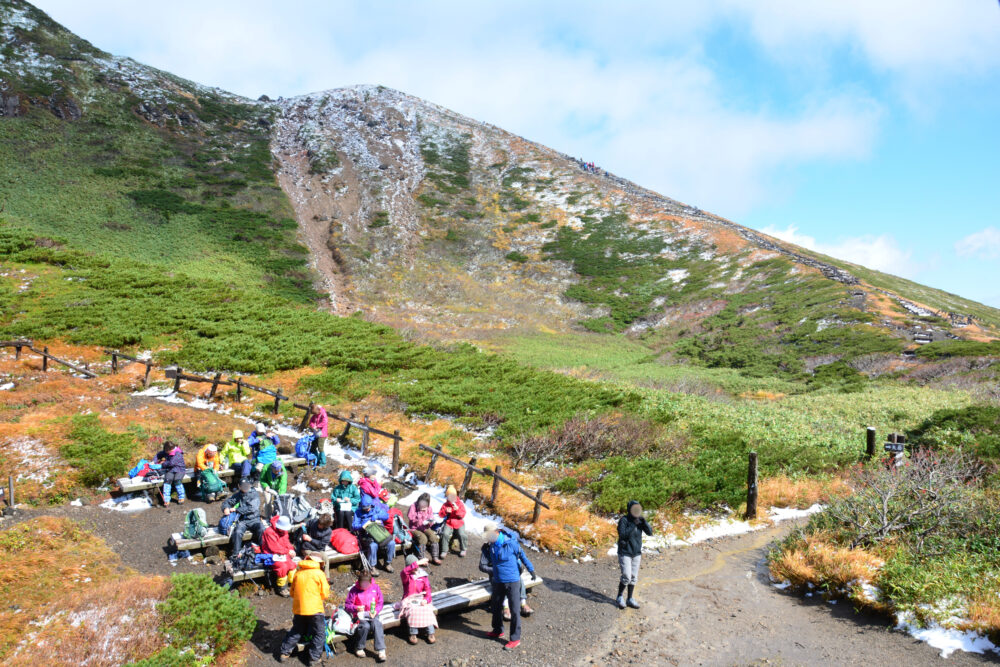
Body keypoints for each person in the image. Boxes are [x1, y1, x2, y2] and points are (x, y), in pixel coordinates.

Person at [484, 524, 537, 650]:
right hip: (498, 581)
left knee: (514, 610)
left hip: (513, 581)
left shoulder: (511, 543)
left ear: (496, 532)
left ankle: (515, 638)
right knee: (496, 606)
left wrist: (531, 570)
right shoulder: (491, 545)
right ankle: (497, 630)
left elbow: (523, 556)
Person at [277, 552, 330, 664]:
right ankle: (314, 657)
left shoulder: (298, 573)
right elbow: (325, 594)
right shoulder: (319, 574)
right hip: (315, 609)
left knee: (297, 630)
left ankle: (284, 652)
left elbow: (292, 592)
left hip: (299, 608)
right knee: (319, 633)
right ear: (319, 563)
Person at [479, 529, 534, 619]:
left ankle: (523, 603)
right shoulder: (487, 548)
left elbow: (520, 557)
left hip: (510, 573)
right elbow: (482, 566)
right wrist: (496, 570)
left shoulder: (508, 544)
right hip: (495, 575)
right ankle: (505, 607)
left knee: (519, 579)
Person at [616, 499, 652, 610]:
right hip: (625, 552)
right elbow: (622, 535)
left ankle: (630, 599)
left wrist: (644, 522)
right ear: (629, 509)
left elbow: (650, 533)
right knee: (626, 576)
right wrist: (633, 525)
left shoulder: (639, 520)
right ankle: (620, 596)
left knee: (633, 577)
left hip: (636, 552)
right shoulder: (624, 520)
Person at [344, 570, 386, 662]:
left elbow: (380, 602)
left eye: (367, 583)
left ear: (371, 581)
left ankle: (381, 650)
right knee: (365, 626)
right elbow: (347, 605)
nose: (365, 585)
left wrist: (376, 611)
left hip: (372, 613)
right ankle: (359, 647)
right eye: (363, 583)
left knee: (376, 623)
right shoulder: (354, 590)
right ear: (359, 581)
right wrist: (356, 608)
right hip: (359, 615)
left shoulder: (376, 587)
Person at [398, 554, 436, 644]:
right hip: (409, 599)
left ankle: (430, 632)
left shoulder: (423, 575)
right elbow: (404, 571)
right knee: (412, 611)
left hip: (421, 598)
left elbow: (428, 590)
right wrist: (418, 562)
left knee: (427, 610)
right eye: (414, 566)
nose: (416, 568)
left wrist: (426, 599)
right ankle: (413, 633)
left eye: (417, 566)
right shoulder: (406, 576)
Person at [352, 496, 395, 573]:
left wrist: (377, 516)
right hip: (366, 535)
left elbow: (386, 516)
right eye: (365, 508)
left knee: (391, 543)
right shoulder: (358, 512)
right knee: (373, 545)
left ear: (371, 505)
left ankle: (387, 563)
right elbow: (354, 526)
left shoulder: (376, 509)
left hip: (379, 533)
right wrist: (362, 525)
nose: (367, 509)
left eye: (368, 507)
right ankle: (372, 566)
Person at [221, 478, 263, 556]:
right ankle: (236, 554)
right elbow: (227, 501)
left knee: (261, 529)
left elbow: (252, 508)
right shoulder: (238, 495)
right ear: (239, 486)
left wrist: (236, 509)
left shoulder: (254, 494)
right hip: (243, 521)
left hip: (255, 519)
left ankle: (264, 551)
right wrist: (225, 508)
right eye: (243, 486)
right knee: (237, 532)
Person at [262, 514, 298, 596]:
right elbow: (274, 548)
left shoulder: (284, 531)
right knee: (282, 567)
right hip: (271, 554)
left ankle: (293, 584)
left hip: (283, 553)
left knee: (292, 565)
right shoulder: (269, 532)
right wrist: (287, 552)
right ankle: (281, 587)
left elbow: (287, 542)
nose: (285, 530)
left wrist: (291, 550)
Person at [407, 492, 441, 565]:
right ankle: (421, 558)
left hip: (425, 527)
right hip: (414, 528)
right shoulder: (413, 506)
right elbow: (411, 518)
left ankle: (435, 557)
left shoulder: (429, 508)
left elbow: (431, 517)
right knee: (423, 538)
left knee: (433, 537)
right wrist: (419, 515)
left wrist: (430, 522)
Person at [438, 485, 467, 558]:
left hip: (459, 521)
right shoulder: (445, 504)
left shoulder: (460, 503)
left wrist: (457, 510)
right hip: (449, 522)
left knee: (462, 534)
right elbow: (440, 514)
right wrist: (445, 511)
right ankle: (444, 550)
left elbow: (463, 514)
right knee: (445, 534)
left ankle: (463, 549)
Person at [155, 442, 186, 506]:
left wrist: (162, 464)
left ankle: (181, 497)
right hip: (170, 469)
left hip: (179, 469)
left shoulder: (178, 453)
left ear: (171, 449)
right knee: (167, 481)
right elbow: (158, 455)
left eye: (167, 451)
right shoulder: (166, 451)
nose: (166, 452)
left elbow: (171, 463)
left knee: (177, 480)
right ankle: (166, 499)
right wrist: (154, 461)